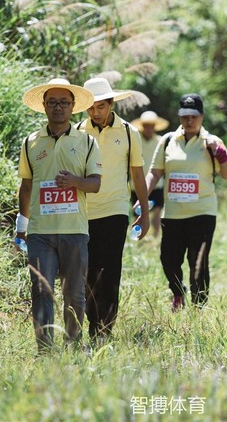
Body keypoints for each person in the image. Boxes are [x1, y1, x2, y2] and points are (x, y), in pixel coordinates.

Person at [16, 77, 101, 351]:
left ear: (73, 106)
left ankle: (73, 347)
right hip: (40, 232)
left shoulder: (87, 142)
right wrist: (22, 225)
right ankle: (45, 350)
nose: (58, 108)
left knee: (74, 295)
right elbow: (26, 186)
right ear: (43, 106)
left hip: (75, 231)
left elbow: (96, 184)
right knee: (41, 292)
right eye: (52, 102)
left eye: (64, 102)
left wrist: (75, 182)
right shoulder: (31, 142)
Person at [75, 77, 150, 343]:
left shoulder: (129, 132)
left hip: (116, 210)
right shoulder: (77, 132)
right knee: (88, 273)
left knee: (110, 272)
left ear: (111, 104)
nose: (96, 113)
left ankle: (103, 332)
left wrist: (144, 212)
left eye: (101, 106)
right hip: (84, 212)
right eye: (92, 107)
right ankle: (93, 324)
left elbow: (137, 175)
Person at [145, 93, 227, 310]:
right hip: (173, 214)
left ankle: (199, 307)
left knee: (198, 261)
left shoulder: (211, 142)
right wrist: (142, 197)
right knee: (168, 259)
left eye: (194, 116)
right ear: (179, 117)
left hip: (202, 213)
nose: (189, 120)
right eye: (185, 116)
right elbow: (154, 173)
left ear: (202, 116)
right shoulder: (168, 140)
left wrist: (220, 153)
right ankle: (178, 292)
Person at [130, 110, 170, 236]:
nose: (148, 128)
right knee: (138, 213)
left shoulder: (160, 141)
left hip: (157, 184)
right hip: (137, 184)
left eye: (151, 125)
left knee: (157, 212)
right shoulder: (136, 141)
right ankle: (138, 237)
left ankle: (155, 237)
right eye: (146, 125)